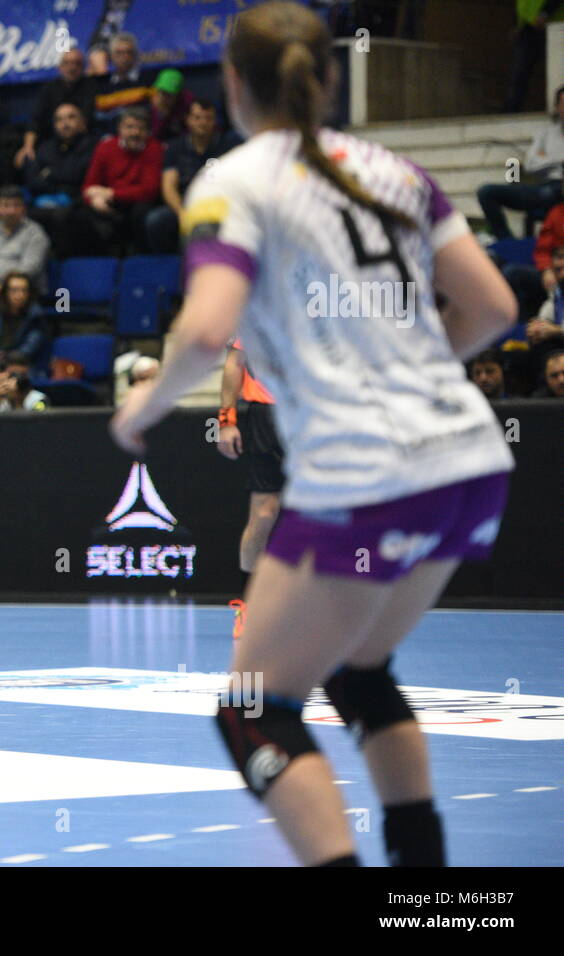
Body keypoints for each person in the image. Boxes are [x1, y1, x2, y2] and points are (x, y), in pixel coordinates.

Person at [109, 1, 518, 868]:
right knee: (361, 671)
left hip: (366, 471)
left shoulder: (234, 178)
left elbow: (205, 325)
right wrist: (406, 372)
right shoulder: (399, 173)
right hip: (471, 461)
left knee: (253, 707)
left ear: (231, 84)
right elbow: (494, 307)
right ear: (330, 79)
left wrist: (142, 407)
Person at [216, 339, 284, 639]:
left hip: (318, 415)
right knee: (265, 513)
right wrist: (226, 419)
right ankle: (248, 605)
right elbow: (234, 361)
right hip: (267, 416)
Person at [147, 98, 242, 253]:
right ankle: (169, 265)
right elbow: (168, 186)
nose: (202, 123)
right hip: (184, 204)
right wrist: (182, 213)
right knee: (156, 220)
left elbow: (236, 183)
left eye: (208, 118)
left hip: (218, 204)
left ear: (215, 122)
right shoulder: (175, 147)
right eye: (197, 118)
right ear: (188, 120)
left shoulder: (228, 146)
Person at [72, 106, 163, 255]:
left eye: (140, 128)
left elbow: (149, 190)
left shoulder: (154, 149)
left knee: (141, 210)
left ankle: (140, 258)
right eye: (129, 127)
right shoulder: (106, 147)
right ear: (119, 129)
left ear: (147, 131)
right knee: (80, 213)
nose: (135, 133)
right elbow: (89, 186)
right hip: (111, 202)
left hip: (137, 203)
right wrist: (94, 200)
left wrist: (111, 193)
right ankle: (96, 263)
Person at [478, 84, 564, 240]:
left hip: (557, 190)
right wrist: (558, 162)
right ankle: (507, 241)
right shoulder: (546, 134)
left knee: (552, 193)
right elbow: (530, 164)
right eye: (563, 104)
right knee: (486, 191)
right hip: (541, 188)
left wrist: (545, 159)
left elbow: (537, 163)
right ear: (557, 107)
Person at [22, 103, 98, 257]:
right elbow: (32, 180)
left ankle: (64, 263)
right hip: (45, 200)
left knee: (62, 217)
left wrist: (49, 174)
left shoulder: (92, 145)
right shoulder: (45, 147)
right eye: (59, 120)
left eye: (71, 117)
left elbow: (78, 176)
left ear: (82, 122)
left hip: (77, 203)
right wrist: (60, 184)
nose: (65, 123)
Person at [15, 48, 99, 168]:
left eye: (77, 63)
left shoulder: (91, 87)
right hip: (53, 142)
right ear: (60, 67)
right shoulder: (49, 88)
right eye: (67, 63)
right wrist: (28, 147)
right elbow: (35, 120)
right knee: (30, 160)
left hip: (82, 142)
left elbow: (88, 121)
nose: (72, 67)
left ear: (83, 67)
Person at [0, 187, 51, 304]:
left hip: (22, 292)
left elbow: (30, 269)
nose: (11, 211)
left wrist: (0, 288)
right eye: (6, 205)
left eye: (16, 205)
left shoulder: (35, 233)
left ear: (24, 208)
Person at [0, 271, 53, 376]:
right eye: (14, 290)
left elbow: (28, 349)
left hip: (23, 367)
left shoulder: (35, 316)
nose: (19, 295)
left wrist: (5, 357)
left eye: (24, 290)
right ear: (5, 292)